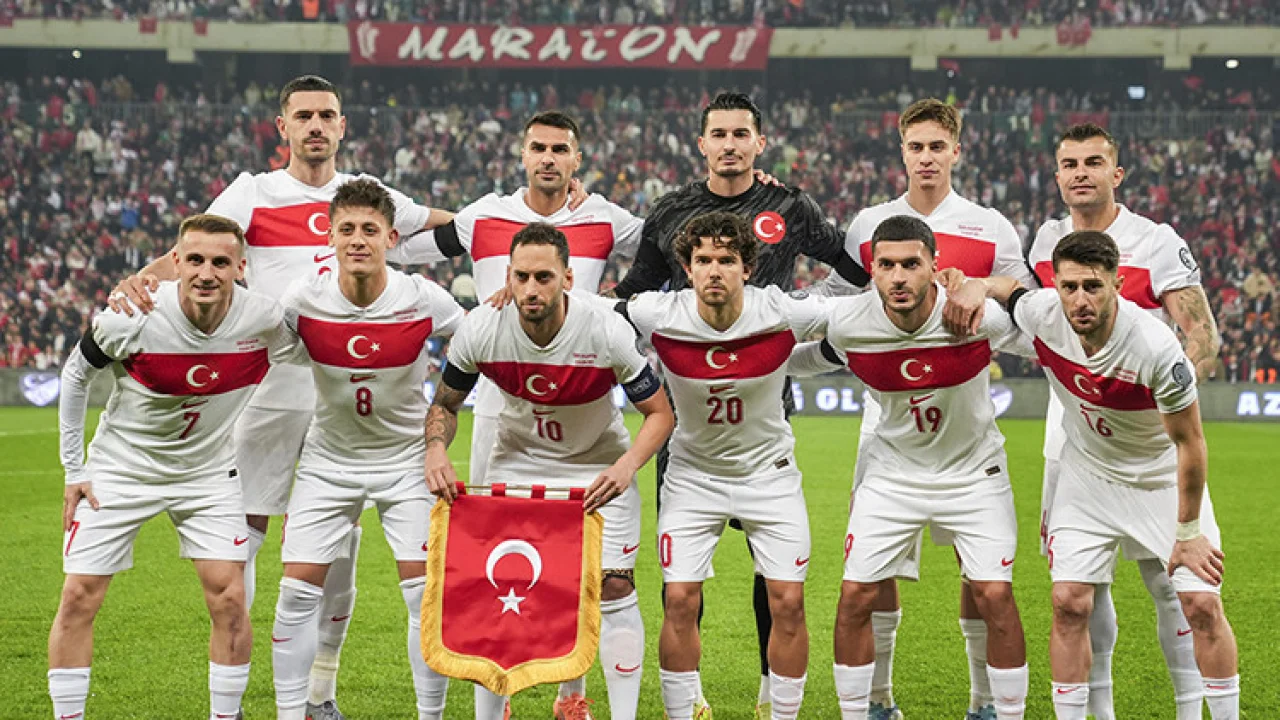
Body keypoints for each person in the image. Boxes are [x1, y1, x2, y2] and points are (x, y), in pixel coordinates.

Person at [106, 74, 451, 720]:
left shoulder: (366, 195)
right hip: (270, 387)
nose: (316, 125)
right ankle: (237, 688)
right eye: (304, 115)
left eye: (327, 114)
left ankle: (320, 692)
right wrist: (140, 282)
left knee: (337, 550)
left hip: (339, 394)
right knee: (245, 534)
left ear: (343, 125)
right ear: (283, 125)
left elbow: (450, 230)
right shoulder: (254, 192)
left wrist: (521, 229)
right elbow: (197, 249)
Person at [610, 90, 868, 718]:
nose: (729, 144)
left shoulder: (789, 205)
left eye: (740, 134)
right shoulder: (671, 210)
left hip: (765, 395)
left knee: (771, 573)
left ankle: (769, 691)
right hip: (688, 409)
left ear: (759, 143)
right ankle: (690, 695)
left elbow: (854, 274)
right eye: (719, 134)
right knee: (682, 585)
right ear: (702, 144)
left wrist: (801, 315)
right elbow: (634, 292)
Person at [815, 98, 1036, 720]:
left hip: (963, 417)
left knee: (979, 574)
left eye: (938, 146)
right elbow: (838, 301)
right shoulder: (869, 223)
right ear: (902, 151)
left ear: (956, 151)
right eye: (916, 146)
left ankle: (985, 703)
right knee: (873, 573)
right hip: (886, 423)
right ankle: (877, 698)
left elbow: (1024, 298)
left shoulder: (990, 226)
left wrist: (978, 285)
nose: (927, 157)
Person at [975, 230, 1239, 720]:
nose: (1080, 300)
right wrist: (978, 285)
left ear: (1117, 284)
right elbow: (1011, 292)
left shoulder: (1156, 348)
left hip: (1158, 478)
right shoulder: (1043, 312)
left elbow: (1190, 443)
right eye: (1069, 287)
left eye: (1093, 286)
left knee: (1201, 604)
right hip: (1087, 477)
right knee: (1068, 602)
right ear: (1055, 286)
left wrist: (1187, 534)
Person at [50, 214, 297, 720]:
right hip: (121, 469)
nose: (207, 273)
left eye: (221, 262)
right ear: (176, 263)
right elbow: (75, 376)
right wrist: (74, 469)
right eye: (196, 260)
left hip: (207, 473)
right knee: (77, 596)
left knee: (230, 598)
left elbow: (322, 354)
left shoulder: (264, 320)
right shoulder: (131, 316)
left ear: (241, 268)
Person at [424, 222, 675, 720]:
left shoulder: (605, 329)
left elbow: (660, 413)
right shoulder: (483, 328)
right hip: (518, 463)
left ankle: (597, 708)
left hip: (599, 466)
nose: (531, 289)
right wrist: (435, 449)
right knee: (499, 588)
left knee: (615, 586)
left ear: (568, 278)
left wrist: (627, 466)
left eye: (543, 277)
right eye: (521, 277)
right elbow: (445, 404)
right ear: (508, 277)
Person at [1026, 123, 1222, 720]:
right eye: (1069, 164)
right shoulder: (1046, 241)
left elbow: (1201, 333)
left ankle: (1190, 707)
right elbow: (1033, 315)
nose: (1080, 173)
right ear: (1057, 176)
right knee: (1081, 586)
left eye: (1093, 162)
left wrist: (1163, 400)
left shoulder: (1155, 241)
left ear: (1117, 173)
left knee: (1169, 582)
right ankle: (1100, 709)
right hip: (1071, 432)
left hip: (1145, 434)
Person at [617, 212, 826, 719]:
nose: (714, 270)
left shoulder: (778, 309)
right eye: (703, 260)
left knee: (787, 602)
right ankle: (682, 712)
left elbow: (855, 316)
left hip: (770, 475)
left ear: (747, 268)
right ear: (687, 269)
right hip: (692, 476)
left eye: (727, 260)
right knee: (680, 599)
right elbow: (592, 313)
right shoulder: (657, 312)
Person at [269, 179, 465, 720]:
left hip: (406, 462)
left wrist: (440, 418)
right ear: (330, 237)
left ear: (391, 238)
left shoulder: (421, 297)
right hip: (328, 462)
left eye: (370, 230)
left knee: (423, 597)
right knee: (295, 596)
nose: (358, 239)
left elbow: (475, 342)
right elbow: (264, 344)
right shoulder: (303, 299)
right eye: (348, 229)